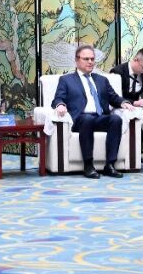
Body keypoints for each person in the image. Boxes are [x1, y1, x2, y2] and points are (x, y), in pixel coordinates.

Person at [52, 44, 132, 179]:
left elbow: (114, 97)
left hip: (99, 117)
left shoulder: (102, 80)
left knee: (116, 119)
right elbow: (58, 98)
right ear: (77, 60)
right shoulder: (66, 80)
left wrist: (124, 102)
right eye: (86, 59)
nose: (90, 62)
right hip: (80, 119)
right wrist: (60, 105)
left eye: (92, 59)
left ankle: (110, 165)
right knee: (87, 119)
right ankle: (88, 165)